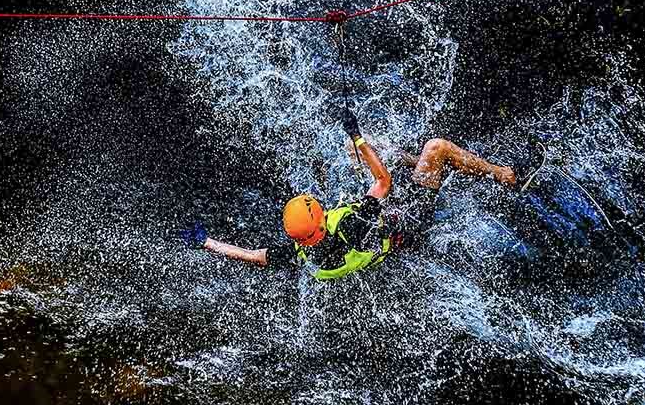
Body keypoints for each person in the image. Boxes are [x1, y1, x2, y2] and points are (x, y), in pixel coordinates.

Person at [182, 107, 533, 279]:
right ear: (319, 225)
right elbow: (382, 182)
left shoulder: (301, 252)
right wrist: (357, 135)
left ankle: (421, 164)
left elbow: (251, 255)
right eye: (315, 209)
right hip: (408, 220)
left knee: (367, 157)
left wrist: (207, 242)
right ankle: (504, 175)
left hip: (378, 235)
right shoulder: (351, 224)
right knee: (435, 147)